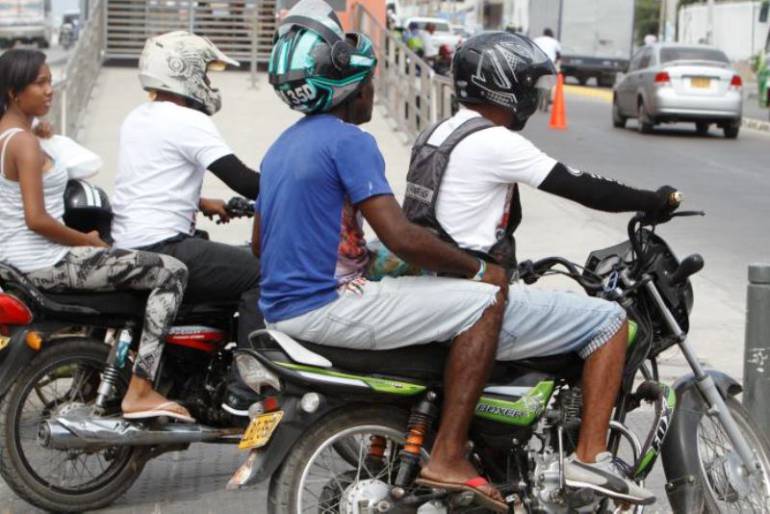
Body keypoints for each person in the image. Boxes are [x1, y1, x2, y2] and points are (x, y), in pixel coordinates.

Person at [403, 32, 679, 506]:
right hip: (471, 300)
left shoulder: (438, 132)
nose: (534, 96)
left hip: (433, 288)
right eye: (529, 85)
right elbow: (581, 185)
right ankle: (590, 457)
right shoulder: (494, 141)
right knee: (610, 321)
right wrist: (652, 201)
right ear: (503, 85)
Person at [258, 0, 509, 510]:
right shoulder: (350, 140)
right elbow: (399, 235)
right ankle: (450, 454)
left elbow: (261, 245)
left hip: (280, 310)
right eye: (369, 82)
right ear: (351, 90)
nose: (373, 91)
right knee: (485, 300)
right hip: (325, 307)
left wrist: (373, 262)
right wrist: (479, 267)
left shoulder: (281, 146)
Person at [0, 49, 192, 422]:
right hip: (48, 261)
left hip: (20, 260)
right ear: (13, 91)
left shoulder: (13, 136)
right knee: (171, 271)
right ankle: (141, 388)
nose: (50, 90)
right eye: (40, 83)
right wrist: (86, 240)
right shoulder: (23, 143)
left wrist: (39, 133)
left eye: (50, 81)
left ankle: (96, 376)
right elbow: (36, 219)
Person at [110, 31, 262, 417]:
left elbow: (150, 182)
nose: (208, 82)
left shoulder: (136, 117)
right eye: (205, 73)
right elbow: (245, 181)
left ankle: (188, 370)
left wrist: (201, 201)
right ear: (184, 72)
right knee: (261, 273)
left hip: (130, 244)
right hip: (165, 246)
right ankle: (243, 392)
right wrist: (295, 185)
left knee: (215, 251)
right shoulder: (188, 120)